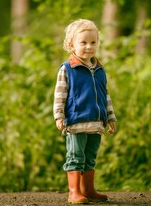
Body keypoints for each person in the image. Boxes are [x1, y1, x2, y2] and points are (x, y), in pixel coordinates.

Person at [53, 19, 117, 204]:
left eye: (93, 42)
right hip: (76, 122)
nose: (89, 47)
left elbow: (105, 95)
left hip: (96, 123)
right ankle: (74, 192)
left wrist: (110, 116)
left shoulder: (99, 69)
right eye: (83, 42)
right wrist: (59, 116)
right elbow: (60, 95)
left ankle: (87, 190)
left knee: (90, 158)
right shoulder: (68, 69)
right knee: (75, 157)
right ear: (71, 44)